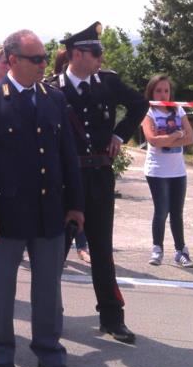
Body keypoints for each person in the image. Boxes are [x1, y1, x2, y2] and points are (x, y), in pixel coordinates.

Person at [0, 29, 84, 367]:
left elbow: (68, 155)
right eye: (36, 59)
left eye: (45, 58)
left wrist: (75, 204)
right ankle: (1, 356)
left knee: (48, 289)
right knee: (1, 290)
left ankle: (50, 354)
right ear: (13, 61)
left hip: (50, 211)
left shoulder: (53, 99)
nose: (43, 64)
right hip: (7, 213)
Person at [46, 22, 148, 345]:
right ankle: (49, 317)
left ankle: (112, 318)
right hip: (65, 181)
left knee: (102, 250)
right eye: (96, 53)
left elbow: (140, 104)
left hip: (99, 178)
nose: (101, 58)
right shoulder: (52, 89)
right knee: (56, 252)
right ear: (77, 54)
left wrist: (120, 134)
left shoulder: (108, 83)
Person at [141, 74, 193, 268]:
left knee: (177, 213)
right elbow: (152, 140)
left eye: (166, 91)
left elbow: (190, 138)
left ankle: (181, 251)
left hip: (178, 171)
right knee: (161, 211)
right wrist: (177, 135)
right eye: (158, 91)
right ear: (151, 92)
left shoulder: (178, 109)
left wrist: (171, 137)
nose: (163, 94)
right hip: (157, 171)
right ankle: (157, 249)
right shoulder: (148, 112)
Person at [52, 46, 90, 264]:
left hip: (80, 158)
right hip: (60, 161)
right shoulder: (53, 89)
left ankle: (82, 245)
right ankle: (61, 252)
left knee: (77, 206)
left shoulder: (86, 86)